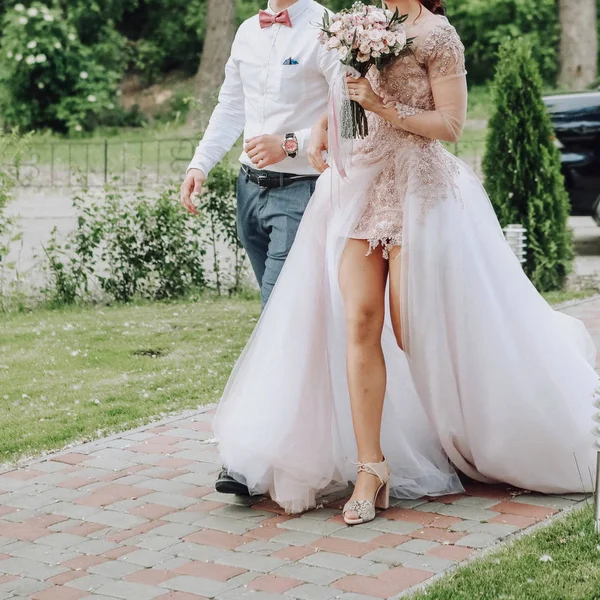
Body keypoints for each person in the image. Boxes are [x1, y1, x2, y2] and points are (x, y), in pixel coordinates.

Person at [212, 0, 599, 523]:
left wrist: (380, 105)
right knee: (360, 320)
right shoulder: (360, 24)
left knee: (411, 327)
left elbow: (452, 124)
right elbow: (347, 87)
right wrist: (327, 122)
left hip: (421, 191)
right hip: (358, 186)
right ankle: (372, 467)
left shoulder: (438, 35)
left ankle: (473, 427)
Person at [181, 0, 339, 496]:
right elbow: (231, 106)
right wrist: (199, 164)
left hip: (302, 194)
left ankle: (250, 462)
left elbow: (352, 112)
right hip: (248, 192)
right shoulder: (249, 31)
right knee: (293, 325)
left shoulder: (329, 29)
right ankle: (316, 436)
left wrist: (289, 143)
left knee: (277, 324)